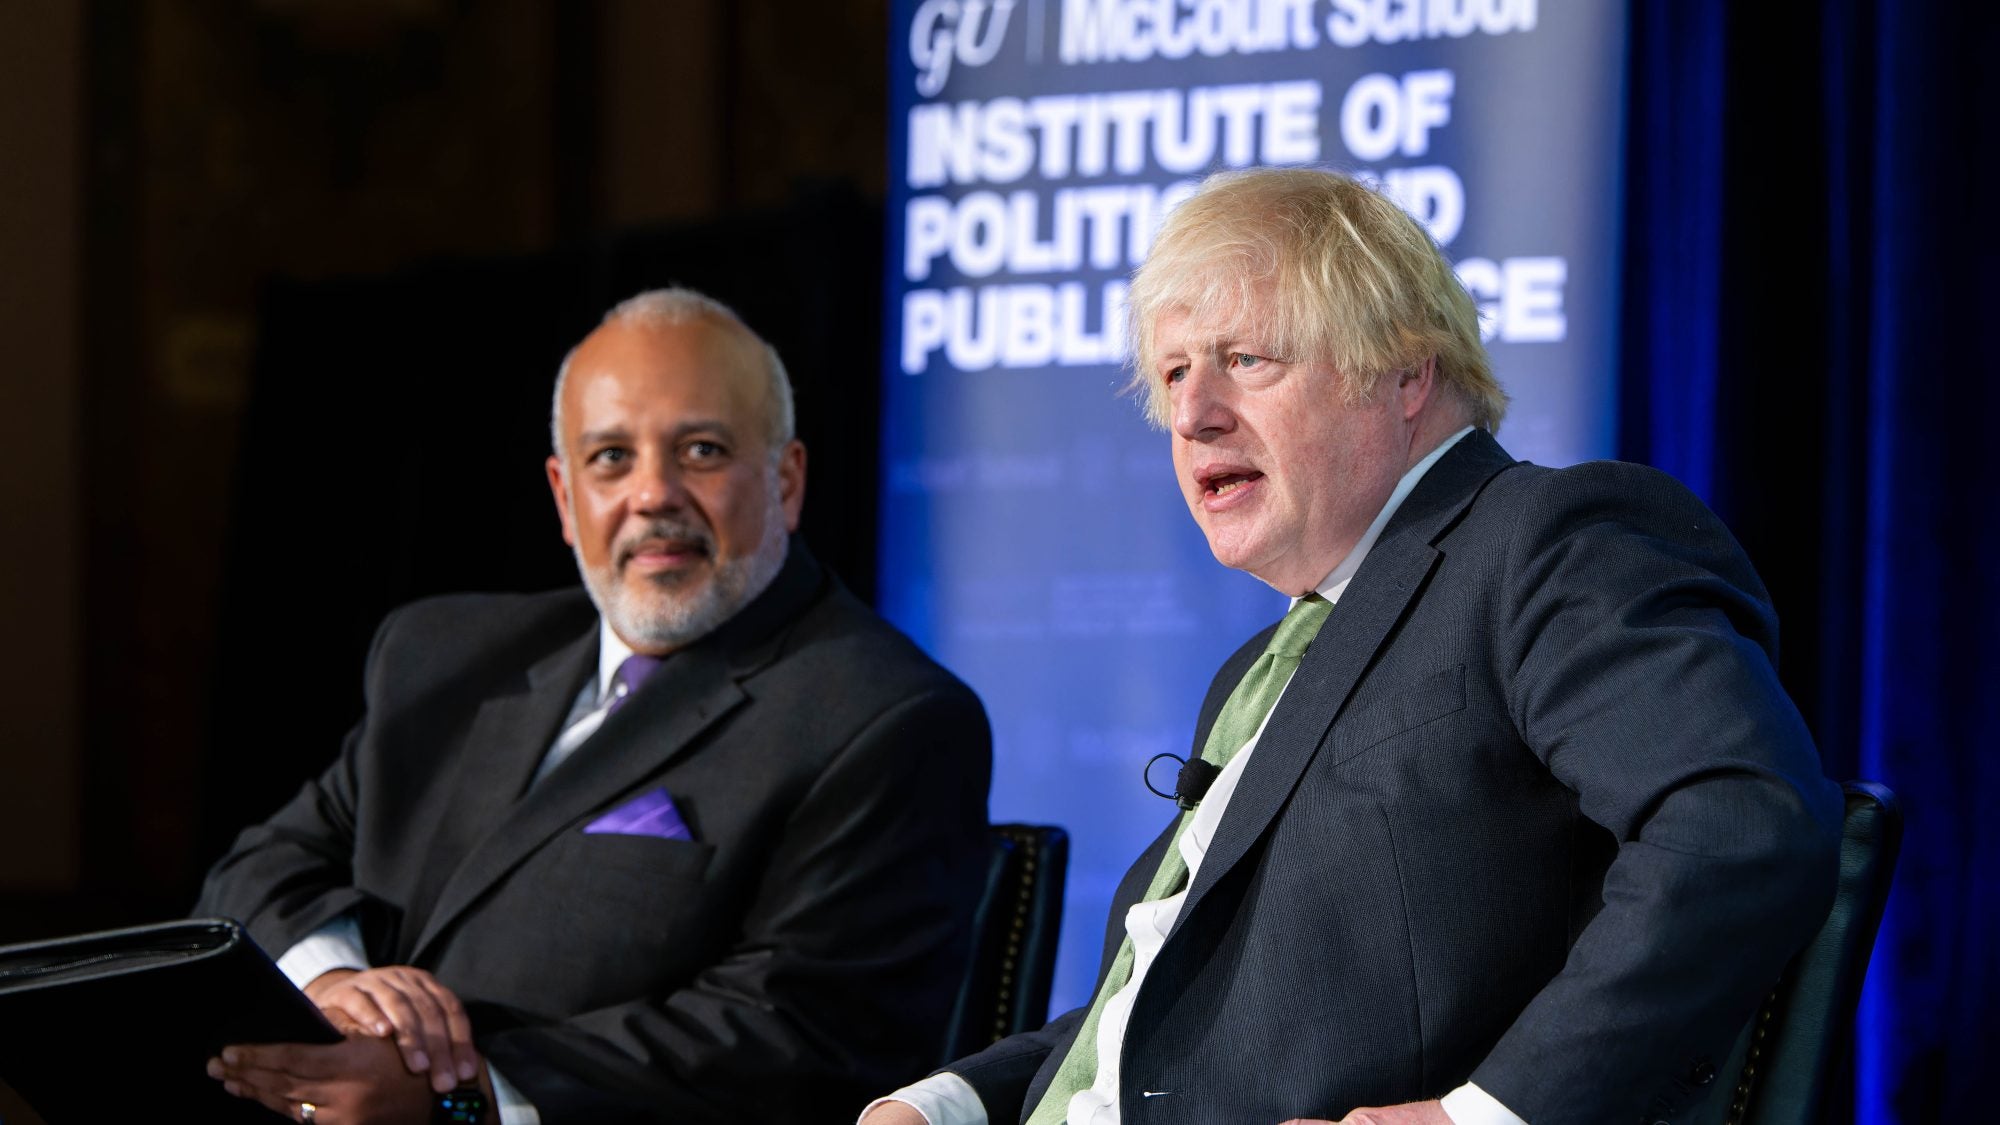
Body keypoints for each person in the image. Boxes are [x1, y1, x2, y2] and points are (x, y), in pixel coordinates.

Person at [862, 168, 1842, 1125]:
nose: (1193, 414)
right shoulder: (1257, 669)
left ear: (1403, 373)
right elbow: (1173, 1012)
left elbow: (1736, 820)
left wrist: (1487, 1115)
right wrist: (952, 1100)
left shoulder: (1549, 540)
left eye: (1242, 358)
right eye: (1172, 374)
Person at [200, 289, 993, 1124]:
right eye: (611, 457)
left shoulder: (888, 717)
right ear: (563, 496)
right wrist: (341, 988)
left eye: (701, 449)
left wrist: (456, 1091)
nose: (653, 493)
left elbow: (796, 1038)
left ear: (786, 481)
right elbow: (259, 868)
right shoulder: (439, 657)